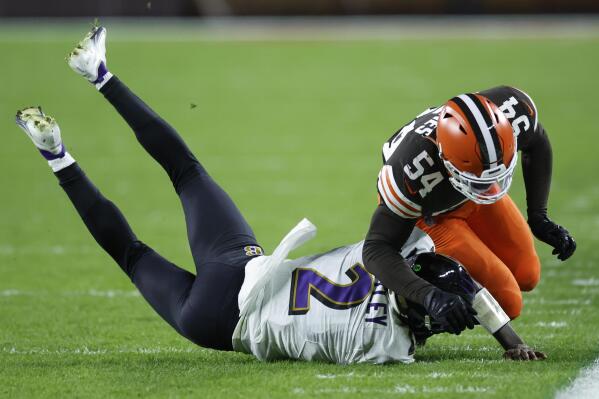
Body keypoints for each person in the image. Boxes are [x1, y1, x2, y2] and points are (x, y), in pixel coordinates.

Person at [15, 26, 545, 364]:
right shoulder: (386, 347)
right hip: (220, 323)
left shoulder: (395, 271)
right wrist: (502, 338)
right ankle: (56, 153)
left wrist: (449, 303)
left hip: (242, 270)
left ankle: (99, 75)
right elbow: (433, 293)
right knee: (130, 255)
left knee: (185, 172)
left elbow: (393, 261)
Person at [363, 84, 577, 331]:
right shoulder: (410, 174)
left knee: (528, 274)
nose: (486, 186)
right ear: (445, 160)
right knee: (509, 303)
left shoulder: (511, 110)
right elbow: (376, 248)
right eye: (480, 178)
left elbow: (536, 142)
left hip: (465, 189)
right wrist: (428, 295)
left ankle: (480, 180)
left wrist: (539, 216)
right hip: (434, 216)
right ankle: (413, 319)